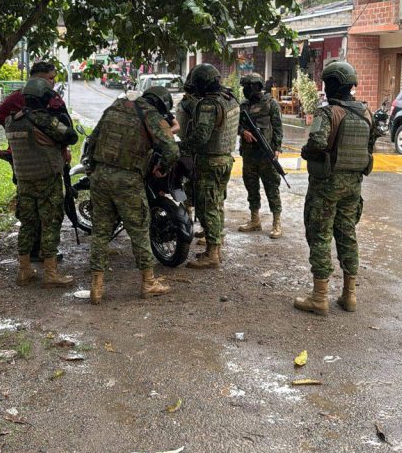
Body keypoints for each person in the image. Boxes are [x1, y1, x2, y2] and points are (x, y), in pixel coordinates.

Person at [294, 59, 378, 316]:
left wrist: (306, 152)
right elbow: (369, 145)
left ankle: (319, 298)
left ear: (332, 84)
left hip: (327, 184)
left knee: (320, 236)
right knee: (347, 235)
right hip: (353, 185)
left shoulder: (328, 112)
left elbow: (317, 143)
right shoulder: (366, 112)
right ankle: (349, 296)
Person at [87, 85, 180, 304]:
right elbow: (172, 151)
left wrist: (94, 169)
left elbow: (93, 140)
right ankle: (148, 283)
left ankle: (96, 288)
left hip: (100, 176)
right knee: (139, 230)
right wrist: (162, 168)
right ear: (160, 105)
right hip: (127, 179)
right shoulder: (151, 115)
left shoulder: (115, 107)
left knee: (101, 231)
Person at [0, 60, 70, 261]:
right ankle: (42, 254)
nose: (53, 82)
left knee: (30, 211)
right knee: (45, 211)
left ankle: (31, 258)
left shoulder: (51, 98)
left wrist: (64, 150)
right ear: (38, 77)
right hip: (37, 164)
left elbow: (63, 129)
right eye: (50, 78)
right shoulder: (19, 98)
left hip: (31, 164)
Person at [5, 77, 78, 287]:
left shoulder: (11, 120)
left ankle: (24, 271)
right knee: (50, 222)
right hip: (46, 177)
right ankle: (51, 274)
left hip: (24, 180)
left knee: (27, 223)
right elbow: (70, 136)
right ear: (44, 97)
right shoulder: (41, 119)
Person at [183, 63, 240, 269]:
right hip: (225, 159)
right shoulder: (230, 100)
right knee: (216, 203)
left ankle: (212, 253)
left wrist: (183, 146)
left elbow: (201, 136)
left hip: (209, 161)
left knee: (207, 207)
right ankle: (215, 245)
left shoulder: (209, 104)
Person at [238, 72, 284, 239]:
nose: (245, 90)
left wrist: (277, 148)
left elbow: (278, 127)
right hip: (249, 154)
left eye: (247, 87)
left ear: (254, 87)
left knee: (272, 187)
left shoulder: (271, 104)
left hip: (267, 153)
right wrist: (243, 132)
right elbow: (236, 125)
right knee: (251, 187)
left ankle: (276, 222)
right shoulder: (243, 105)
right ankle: (255, 220)